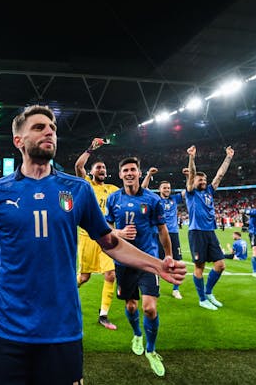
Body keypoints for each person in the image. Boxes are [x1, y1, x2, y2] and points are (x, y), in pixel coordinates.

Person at [0, 105, 186, 385]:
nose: (49, 131)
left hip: (62, 328)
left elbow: (111, 243)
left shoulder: (78, 189)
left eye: (52, 128)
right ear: (19, 141)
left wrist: (158, 265)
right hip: (5, 329)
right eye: (39, 127)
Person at [105, 157, 173, 377]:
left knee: (149, 308)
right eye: (125, 170)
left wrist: (169, 256)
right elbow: (106, 227)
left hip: (148, 259)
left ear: (139, 172)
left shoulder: (152, 200)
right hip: (123, 261)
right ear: (120, 174)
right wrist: (119, 233)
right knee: (131, 306)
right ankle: (137, 334)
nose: (129, 173)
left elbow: (162, 230)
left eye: (133, 169)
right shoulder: (113, 199)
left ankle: (151, 350)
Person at [74, 137, 120, 330]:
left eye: (104, 168)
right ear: (92, 172)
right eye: (98, 168)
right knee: (84, 277)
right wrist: (91, 148)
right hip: (87, 237)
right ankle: (57, 295)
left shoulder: (113, 190)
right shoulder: (86, 185)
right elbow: (78, 166)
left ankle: (103, 315)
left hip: (106, 236)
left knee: (110, 274)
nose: (102, 170)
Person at [185, 145, 234, 311]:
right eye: (200, 180)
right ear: (194, 182)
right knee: (199, 267)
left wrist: (228, 157)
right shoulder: (191, 192)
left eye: (205, 180)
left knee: (220, 265)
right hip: (196, 232)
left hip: (210, 232)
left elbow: (220, 175)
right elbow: (192, 173)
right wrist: (192, 157)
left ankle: (208, 292)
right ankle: (201, 299)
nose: (203, 182)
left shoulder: (209, 191)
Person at [142, 167, 187, 299]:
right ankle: (157, 285)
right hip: (158, 233)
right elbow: (144, 188)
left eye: (168, 188)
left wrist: (187, 176)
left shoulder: (174, 199)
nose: (166, 190)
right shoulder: (155, 198)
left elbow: (188, 190)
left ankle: (176, 289)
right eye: (164, 188)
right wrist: (149, 174)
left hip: (173, 234)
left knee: (177, 262)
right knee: (157, 261)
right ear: (160, 189)